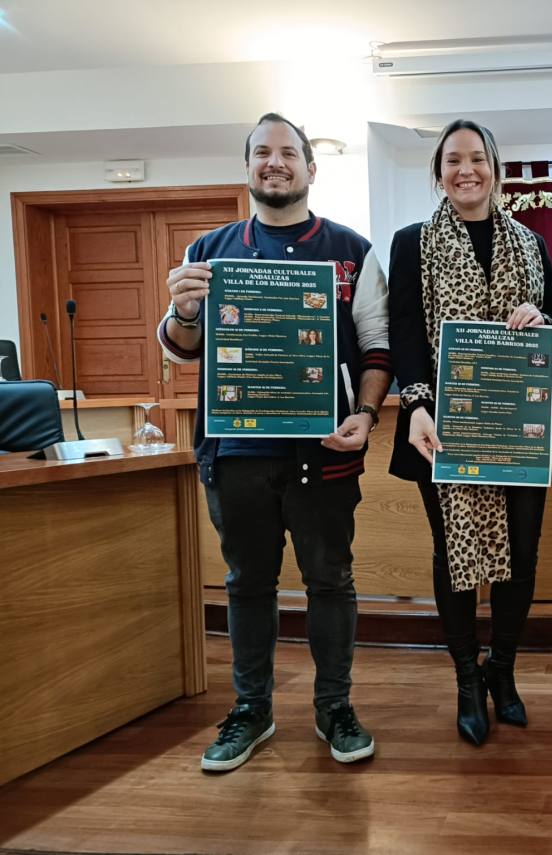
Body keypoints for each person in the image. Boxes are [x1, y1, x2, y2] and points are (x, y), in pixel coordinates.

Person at [158, 113, 391, 772]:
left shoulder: (351, 250)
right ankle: (251, 709)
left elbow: (377, 345)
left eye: (288, 152)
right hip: (237, 455)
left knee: (330, 580)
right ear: (248, 166)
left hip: (326, 452)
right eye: (262, 152)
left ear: (311, 168)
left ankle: (333, 706)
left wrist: (367, 414)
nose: (275, 162)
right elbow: (180, 348)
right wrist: (185, 310)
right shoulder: (208, 250)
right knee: (247, 584)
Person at [387, 119, 552, 747]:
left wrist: (541, 315)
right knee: (453, 555)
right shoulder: (412, 243)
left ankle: (503, 671)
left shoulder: (531, 243)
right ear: (438, 173)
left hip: (519, 426)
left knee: (523, 555)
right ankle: (467, 679)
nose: (467, 170)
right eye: (453, 160)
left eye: (477, 158)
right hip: (442, 427)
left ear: (496, 168)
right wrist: (416, 404)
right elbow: (405, 330)